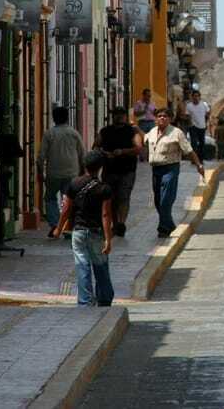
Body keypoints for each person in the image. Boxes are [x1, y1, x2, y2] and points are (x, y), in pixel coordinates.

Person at [54, 151, 114, 306]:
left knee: (82, 266)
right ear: (100, 167)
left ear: (84, 165)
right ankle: (104, 299)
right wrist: (108, 239)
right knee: (101, 266)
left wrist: (58, 229)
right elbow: (106, 215)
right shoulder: (104, 188)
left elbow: (66, 209)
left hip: (78, 231)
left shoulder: (74, 184)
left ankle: (85, 301)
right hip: (96, 232)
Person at [144, 108, 205, 238]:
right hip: (156, 169)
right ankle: (170, 225)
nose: (162, 118)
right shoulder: (152, 132)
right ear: (155, 119)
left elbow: (189, 150)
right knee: (157, 201)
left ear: (170, 119)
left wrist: (198, 164)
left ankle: (163, 228)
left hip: (170, 169)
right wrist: (135, 129)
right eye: (159, 116)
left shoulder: (177, 133)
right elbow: (144, 140)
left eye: (165, 116)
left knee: (166, 200)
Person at [36, 106, 85, 238]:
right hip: (72, 172)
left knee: (50, 198)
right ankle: (67, 227)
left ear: (54, 118)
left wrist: (40, 171)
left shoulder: (49, 134)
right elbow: (82, 154)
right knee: (69, 201)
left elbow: (41, 156)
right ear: (67, 117)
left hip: (53, 173)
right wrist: (82, 171)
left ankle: (55, 224)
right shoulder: (74, 133)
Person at [94, 106, 142, 237]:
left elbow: (138, 148)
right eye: (116, 114)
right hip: (109, 170)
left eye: (122, 114)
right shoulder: (105, 131)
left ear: (126, 117)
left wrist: (122, 152)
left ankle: (121, 223)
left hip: (127, 171)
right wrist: (104, 153)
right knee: (110, 198)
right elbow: (96, 147)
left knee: (123, 197)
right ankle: (115, 223)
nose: (119, 116)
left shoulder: (132, 131)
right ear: (112, 116)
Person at [185, 90, 211, 160]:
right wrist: (190, 123)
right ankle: (194, 159)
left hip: (202, 126)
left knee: (202, 143)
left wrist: (206, 121)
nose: (196, 97)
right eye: (194, 96)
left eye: (197, 96)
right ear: (192, 97)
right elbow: (187, 115)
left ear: (199, 97)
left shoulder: (204, 104)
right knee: (194, 143)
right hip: (193, 127)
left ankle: (200, 158)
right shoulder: (189, 105)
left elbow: (208, 112)